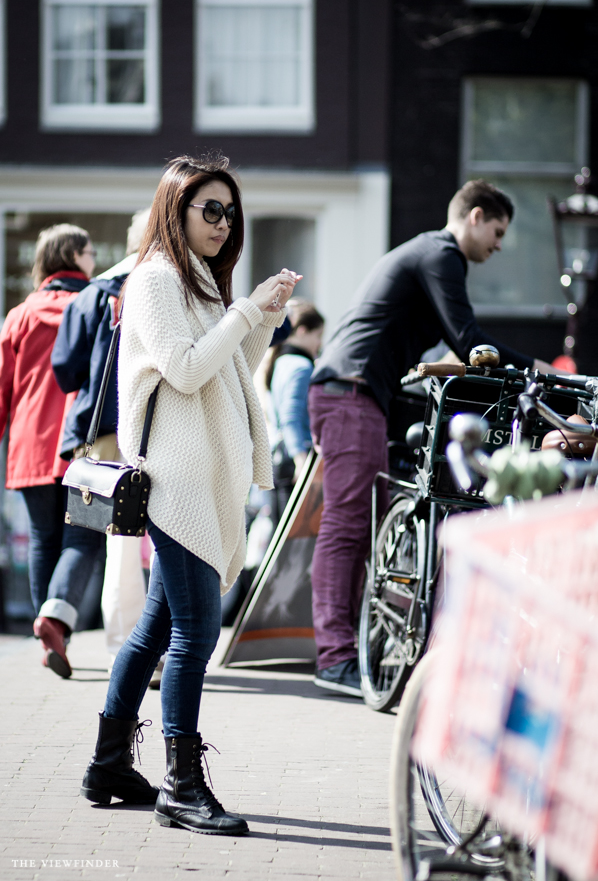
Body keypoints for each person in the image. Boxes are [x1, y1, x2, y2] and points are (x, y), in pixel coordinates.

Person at [80, 154, 300, 836]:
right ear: (175, 209)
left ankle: (108, 764)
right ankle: (181, 783)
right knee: (197, 630)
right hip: (175, 482)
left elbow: (229, 368)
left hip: (204, 475)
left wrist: (261, 315)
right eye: (211, 208)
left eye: (229, 211)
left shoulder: (201, 280)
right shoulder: (153, 277)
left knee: (154, 629)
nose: (222, 222)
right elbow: (182, 367)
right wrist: (240, 311)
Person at [308, 179, 555, 697]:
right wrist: (537, 368)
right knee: (349, 525)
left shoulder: (428, 254)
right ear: (475, 216)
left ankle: (353, 653)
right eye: (498, 231)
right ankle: (333, 659)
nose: (499, 244)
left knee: (365, 522)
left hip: (359, 392)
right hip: (351, 390)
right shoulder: (441, 254)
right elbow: (467, 339)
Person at [52, 209, 153, 677]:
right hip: (155, 430)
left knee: (120, 547)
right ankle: (154, 649)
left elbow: (66, 369)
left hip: (102, 439)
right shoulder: (166, 286)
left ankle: (123, 648)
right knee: (166, 544)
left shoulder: (96, 292)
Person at [0, 223, 100, 677]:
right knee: (84, 538)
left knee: (44, 539)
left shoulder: (20, 314)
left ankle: (48, 637)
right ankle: (56, 622)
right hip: (84, 444)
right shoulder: (99, 304)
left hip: (30, 445)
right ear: (74, 256)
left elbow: (2, 387)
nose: (95, 259)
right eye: (90, 251)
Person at [265, 300, 324, 515]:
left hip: (277, 456)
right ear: (301, 331)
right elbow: (291, 417)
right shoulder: (302, 366)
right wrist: (301, 459)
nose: (319, 343)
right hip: (294, 458)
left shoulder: (279, 362)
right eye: (317, 335)